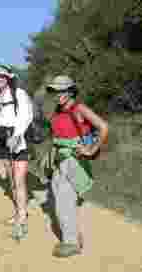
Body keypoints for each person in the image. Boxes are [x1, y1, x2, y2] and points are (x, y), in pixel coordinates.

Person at [44, 75, 108, 258]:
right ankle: (72, 236)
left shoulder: (79, 108)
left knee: (65, 201)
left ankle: (71, 242)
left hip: (74, 160)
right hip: (59, 159)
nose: (57, 94)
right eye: (55, 91)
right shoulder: (58, 110)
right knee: (59, 197)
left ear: (71, 91)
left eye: (61, 91)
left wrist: (91, 149)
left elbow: (103, 127)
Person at [0, 65, 33, 239]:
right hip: (2, 139)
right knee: (11, 178)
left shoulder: (19, 93)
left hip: (19, 140)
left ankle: (22, 215)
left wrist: (17, 135)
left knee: (19, 179)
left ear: (8, 78)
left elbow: (26, 116)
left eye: (2, 76)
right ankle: (18, 211)